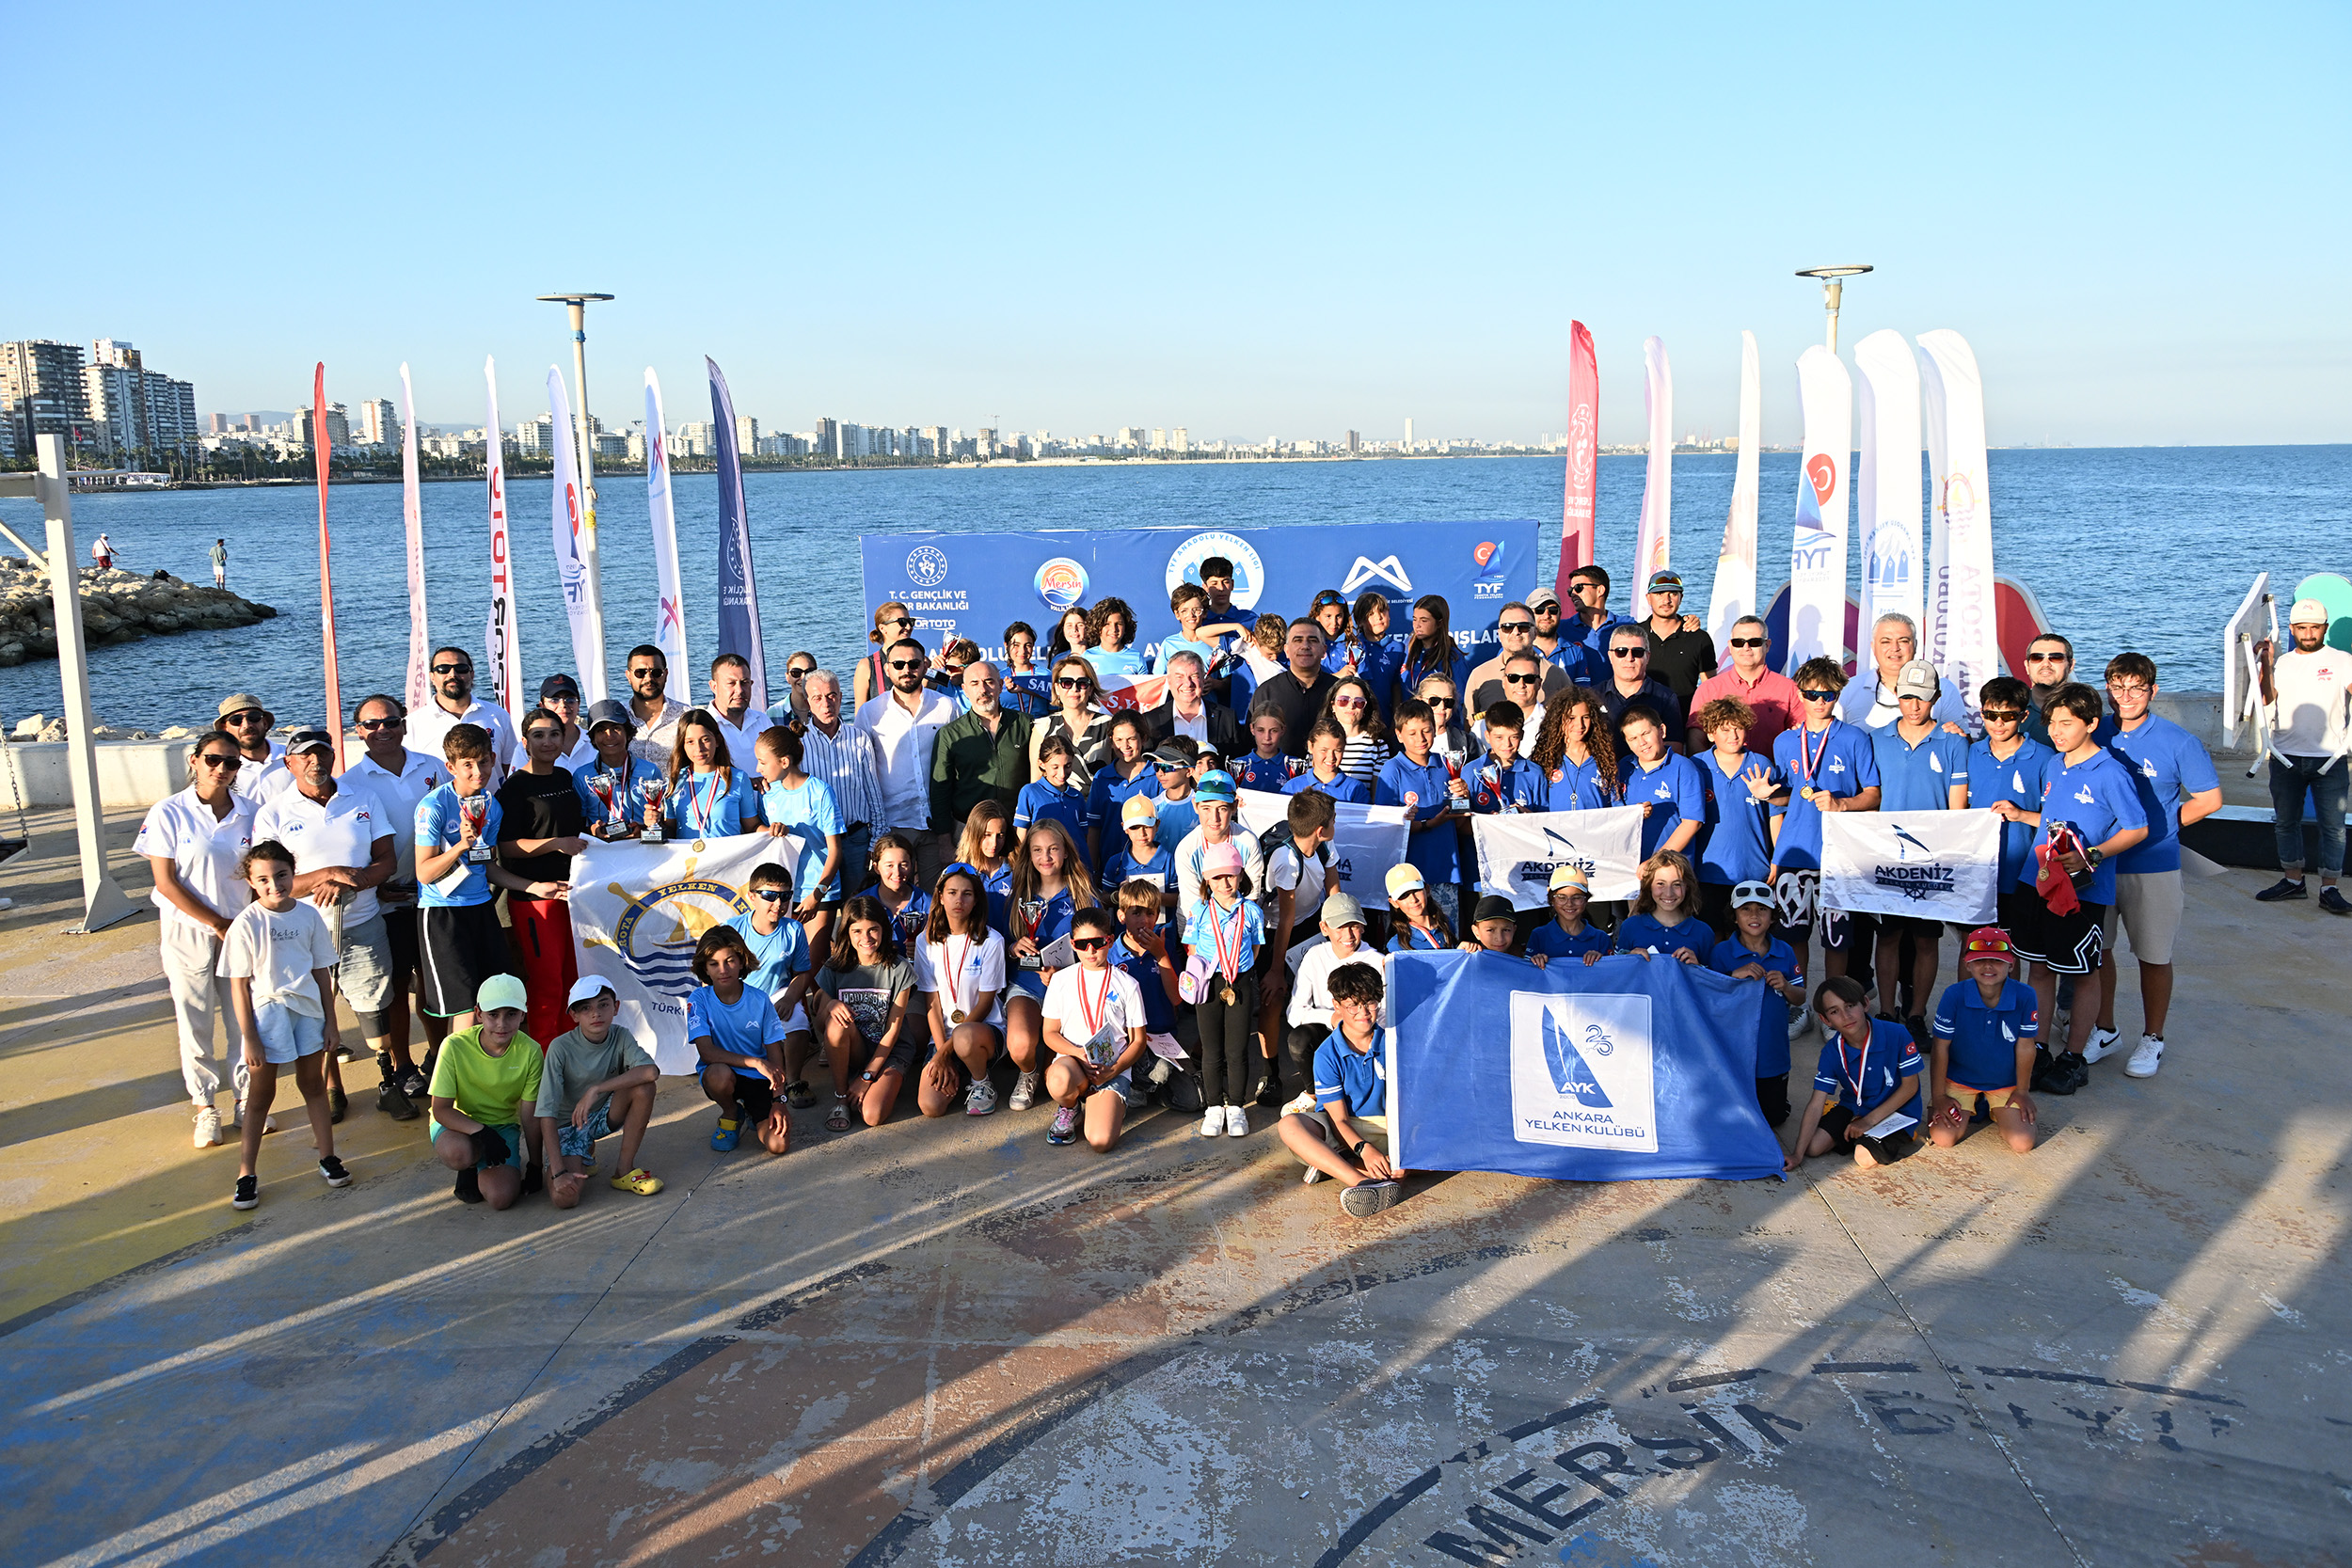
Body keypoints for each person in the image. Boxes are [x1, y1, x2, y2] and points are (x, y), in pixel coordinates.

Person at [252, 725, 405, 1122]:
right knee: (317, 1012)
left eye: (321, 753)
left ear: (334, 757)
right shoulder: (273, 813)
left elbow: (386, 861)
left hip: (363, 922)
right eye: (304, 755)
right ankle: (332, 1089)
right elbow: (267, 881)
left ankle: (388, 1084)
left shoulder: (363, 798)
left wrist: (354, 880)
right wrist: (328, 874)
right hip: (303, 931)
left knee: (375, 1007)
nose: (314, 761)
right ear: (289, 764)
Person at [2012, 682, 2149, 1095]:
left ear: (2091, 723)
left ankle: (2074, 1057)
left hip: (2082, 892)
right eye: (2052, 722)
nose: (2056, 731)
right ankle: (2038, 1048)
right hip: (2037, 879)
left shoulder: (2111, 772)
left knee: (2083, 973)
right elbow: (2052, 816)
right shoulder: (2055, 764)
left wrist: (2093, 854)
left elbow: (2137, 828)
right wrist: (2021, 814)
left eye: (2066, 723)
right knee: (2039, 967)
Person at [136, 729, 259, 1148]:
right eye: (213, 760)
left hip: (240, 932)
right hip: (187, 931)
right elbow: (166, 883)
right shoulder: (168, 812)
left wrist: (244, 924)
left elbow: (261, 875)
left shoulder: (252, 813)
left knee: (243, 1018)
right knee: (195, 1018)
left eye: (232, 762)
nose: (222, 769)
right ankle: (205, 1106)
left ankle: (246, 1100)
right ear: (194, 760)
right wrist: (215, 922)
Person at [218, 840, 352, 1210]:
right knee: (260, 1097)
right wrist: (250, 1038)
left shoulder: (308, 916)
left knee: (313, 1085)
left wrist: (331, 1023)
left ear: (293, 873)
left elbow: (322, 972)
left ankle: (328, 1157)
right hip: (268, 1016)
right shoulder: (246, 924)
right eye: (263, 879)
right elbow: (239, 986)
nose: (274, 885)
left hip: (308, 1013)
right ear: (250, 881)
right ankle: (246, 1174)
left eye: (281, 875)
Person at [1768, 658, 1882, 1006]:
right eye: (1812, 693)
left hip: (1838, 856)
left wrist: (1842, 804)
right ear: (1799, 694)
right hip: (1795, 853)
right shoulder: (1785, 741)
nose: (1820, 701)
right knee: (1792, 936)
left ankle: (1835, 1006)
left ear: (1838, 695)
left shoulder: (1855, 738)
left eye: (1828, 694)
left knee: (1837, 939)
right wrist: (1766, 795)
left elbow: (1873, 795)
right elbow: (1784, 800)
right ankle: (1799, 1005)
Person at [1869, 661, 1973, 1030]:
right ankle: (1886, 1011)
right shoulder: (1876, 738)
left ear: (1937, 698)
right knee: (1888, 937)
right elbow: (1871, 796)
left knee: (1927, 940)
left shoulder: (1954, 741)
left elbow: (1957, 807)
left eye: (1923, 698)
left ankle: (1916, 1014)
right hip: (1888, 857)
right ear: (1896, 695)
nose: (1914, 706)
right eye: (1908, 696)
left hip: (1933, 858)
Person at [413, 724, 528, 1033]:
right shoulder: (434, 806)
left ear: (493, 759)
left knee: (494, 999)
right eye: (468, 764)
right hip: (443, 913)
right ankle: (456, 1064)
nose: (478, 772)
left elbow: (487, 866)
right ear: (451, 767)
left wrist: (533, 886)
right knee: (464, 1009)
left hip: (482, 908)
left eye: (484, 762)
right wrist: (460, 846)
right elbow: (424, 872)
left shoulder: (492, 805)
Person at [1277, 963, 1405, 1218]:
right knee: (1289, 1125)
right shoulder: (1326, 1054)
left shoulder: (1394, 1041)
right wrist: (1363, 1148)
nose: (1363, 1013)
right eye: (1353, 1005)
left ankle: (1340, 1165)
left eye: (1370, 1003)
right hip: (1346, 1129)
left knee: (1444, 1142)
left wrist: (1404, 1153)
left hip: (1392, 1126)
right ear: (1336, 1005)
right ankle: (1362, 1182)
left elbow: (1406, 1106)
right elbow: (1339, 1120)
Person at [495, 706, 587, 1049]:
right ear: (525, 742)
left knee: (572, 978)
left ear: (563, 739)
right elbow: (506, 847)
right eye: (538, 735)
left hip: (572, 893)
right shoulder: (514, 789)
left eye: (554, 734)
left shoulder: (565, 778)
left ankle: (570, 1051)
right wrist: (555, 844)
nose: (547, 742)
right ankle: (545, 1056)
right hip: (536, 899)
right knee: (547, 983)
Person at [2255, 597, 2351, 914]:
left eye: (2314, 627)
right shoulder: (2282, 662)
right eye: (2301, 628)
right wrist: (2265, 663)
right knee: (2285, 823)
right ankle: (2293, 882)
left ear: (2324, 628)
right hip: (2285, 757)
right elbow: (2267, 698)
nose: (2308, 634)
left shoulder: (2342, 660)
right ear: (2292, 629)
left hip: (2331, 758)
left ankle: (2329, 888)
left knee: (2333, 827)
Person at [538, 977, 662, 1207]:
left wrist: (596, 1089)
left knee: (644, 1087)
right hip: (569, 1126)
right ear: (574, 1015)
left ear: (616, 1007)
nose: (596, 1014)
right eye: (586, 1008)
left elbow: (650, 1071)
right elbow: (546, 1112)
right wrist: (558, 1172)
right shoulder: (560, 1047)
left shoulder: (620, 1035)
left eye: (603, 1005)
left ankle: (623, 1171)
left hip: (603, 1114)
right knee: (565, 1199)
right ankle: (584, 1150)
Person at [426, 973, 544, 1208]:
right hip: (458, 1124)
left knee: (501, 1198)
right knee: (459, 1153)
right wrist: (480, 1132)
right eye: (493, 1014)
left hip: (502, 1126)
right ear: (478, 1014)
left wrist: (535, 1165)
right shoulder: (453, 1046)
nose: (502, 1023)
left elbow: (530, 1115)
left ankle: (485, 1162)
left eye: (511, 1014)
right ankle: (469, 1168)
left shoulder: (531, 1051)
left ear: (523, 1015)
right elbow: (440, 1110)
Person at [1002, 816, 1093, 1111]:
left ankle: (1055, 1071)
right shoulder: (1017, 895)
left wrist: (1065, 973)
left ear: (1065, 852)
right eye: (1038, 850)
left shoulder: (1083, 896)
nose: (1046, 857)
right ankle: (1028, 1073)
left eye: (1053, 849)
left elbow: (1098, 950)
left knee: (1058, 1075)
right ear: (1029, 855)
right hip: (1027, 985)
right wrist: (1013, 947)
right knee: (1019, 1045)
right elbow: (999, 942)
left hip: (1071, 991)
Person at [1038, 907, 1148, 1148]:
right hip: (1074, 1062)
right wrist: (1078, 1053)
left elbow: (1138, 1040)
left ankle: (1109, 1103)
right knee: (1058, 1080)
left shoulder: (1127, 984)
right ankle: (1070, 1106)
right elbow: (1049, 1033)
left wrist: (1114, 1069)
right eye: (1082, 944)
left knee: (1101, 1142)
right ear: (1073, 944)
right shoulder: (1061, 980)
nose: (1090, 951)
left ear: (1109, 940)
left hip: (1111, 1067)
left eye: (1097, 943)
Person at [1788, 976, 1923, 1170]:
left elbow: (1910, 1087)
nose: (1846, 1016)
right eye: (1834, 1011)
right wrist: (1797, 1154)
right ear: (1825, 1020)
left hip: (1896, 1110)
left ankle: (1895, 1134)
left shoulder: (1897, 1034)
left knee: (1864, 1157)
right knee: (1812, 1147)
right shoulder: (1832, 1051)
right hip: (1855, 1106)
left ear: (1865, 1003)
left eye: (1850, 1005)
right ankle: (1862, 1134)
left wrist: (1868, 1121)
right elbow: (1816, 1104)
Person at [1927, 927, 2041, 1156]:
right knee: (1943, 1138)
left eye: (1997, 961)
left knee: (2023, 1142)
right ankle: (1977, 1104)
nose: (1988, 967)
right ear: (1967, 964)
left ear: (2011, 964)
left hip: (2004, 1082)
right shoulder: (1954, 995)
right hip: (1959, 1079)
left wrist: (2022, 1090)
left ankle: (1990, 1106)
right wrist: (1939, 1096)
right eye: (1980, 961)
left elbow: (2026, 1046)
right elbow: (1940, 1047)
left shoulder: (2025, 995)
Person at [912, 863, 1009, 1117]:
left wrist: (944, 1053)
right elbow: (932, 1002)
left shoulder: (991, 941)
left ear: (976, 900)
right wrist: (940, 1051)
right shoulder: (925, 941)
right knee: (931, 1107)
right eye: (952, 892)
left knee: (964, 1035)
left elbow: (985, 1004)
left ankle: (981, 1081)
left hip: (982, 1032)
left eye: (967, 894)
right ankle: (959, 1069)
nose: (959, 900)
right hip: (943, 1036)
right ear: (941, 897)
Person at [814, 897, 918, 1132]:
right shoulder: (834, 967)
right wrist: (830, 1005)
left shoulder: (899, 968)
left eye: (873, 929)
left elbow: (893, 1031)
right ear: (847, 933)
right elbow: (821, 1024)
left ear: (884, 929)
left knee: (872, 1115)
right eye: (857, 931)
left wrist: (866, 1078)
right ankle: (841, 1097)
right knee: (836, 1024)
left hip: (890, 1051)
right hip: (855, 1047)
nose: (866, 938)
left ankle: (871, 1082)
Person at [856, 637, 957, 883]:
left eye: (913, 663)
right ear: (887, 669)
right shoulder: (869, 712)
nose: (906, 670)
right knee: (895, 895)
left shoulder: (947, 707)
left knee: (936, 895)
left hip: (938, 825)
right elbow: (860, 770)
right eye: (899, 664)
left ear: (925, 666)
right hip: (893, 824)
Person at [690, 926, 793, 1156]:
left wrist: (780, 1100)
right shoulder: (698, 1000)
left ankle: (755, 1112)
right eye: (714, 964)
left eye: (730, 961)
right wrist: (755, 1061)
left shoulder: (760, 999)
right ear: (705, 968)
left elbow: (775, 1051)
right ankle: (731, 1113)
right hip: (724, 1073)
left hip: (760, 1079)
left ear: (741, 961)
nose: (723, 970)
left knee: (778, 1145)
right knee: (717, 1075)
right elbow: (707, 1053)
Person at [1968, 676, 2058, 943]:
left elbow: (2056, 821)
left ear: (2024, 716)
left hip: (2021, 871)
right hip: (1976, 870)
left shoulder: (2045, 757)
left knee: (2012, 946)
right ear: (1981, 713)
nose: (1998, 723)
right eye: (1990, 715)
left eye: (2008, 716)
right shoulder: (1970, 753)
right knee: (1972, 943)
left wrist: (2021, 815)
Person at [1186, 840, 1264, 1138]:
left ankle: (1237, 1106)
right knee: (1211, 1049)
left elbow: (1255, 947)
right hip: (1208, 982)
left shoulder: (1252, 911)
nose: (1225, 883)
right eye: (1217, 877)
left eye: (1230, 875)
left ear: (1240, 875)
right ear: (1207, 879)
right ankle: (1214, 1106)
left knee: (1237, 1048)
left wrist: (1237, 969)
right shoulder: (1199, 911)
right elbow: (1192, 947)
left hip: (1240, 982)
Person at [724, 862, 820, 1105]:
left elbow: (803, 973)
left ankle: (793, 1080)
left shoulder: (794, 929)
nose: (779, 904)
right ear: (751, 897)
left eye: (785, 896)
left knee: (797, 1020)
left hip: (777, 994)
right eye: (769, 895)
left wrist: (790, 998)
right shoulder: (732, 929)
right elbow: (717, 973)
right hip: (740, 996)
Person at [1691, 696, 1786, 939]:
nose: (1733, 735)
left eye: (1738, 728)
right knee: (1712, 938)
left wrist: (1778, 859)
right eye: (1725, 729)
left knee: (1751, 939)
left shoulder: (1761, 764)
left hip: (1753, 870)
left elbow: (1775, 816)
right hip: (1708, 871)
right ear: (1710, 734)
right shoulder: (1696, 766)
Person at [1710, 880, 1804, 1125]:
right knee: (1734, 1120)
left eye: (1762, 909)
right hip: (1734, 1053)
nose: (1754, 915)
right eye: (1746, 909)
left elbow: (1801, 997)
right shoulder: (1721, 952)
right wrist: (1733, 976)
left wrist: (1786, 986)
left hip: (1773, 1053)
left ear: (1773, 917)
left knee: (1774, 1119)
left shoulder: (1785, 951)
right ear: (1734, 917)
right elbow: (1710, 999)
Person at [755, 724, 845, 960]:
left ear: (784, 762)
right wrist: (771, 830)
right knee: (786, 964)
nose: (757, 768)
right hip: (781, 892)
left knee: (812, 967)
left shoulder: (820, 792)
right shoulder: (768, 794)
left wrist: (817, 894)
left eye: (762, 762)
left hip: (817, 892)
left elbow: (835, 851)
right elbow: (758, 832)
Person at [1377, 698, 1469, 932]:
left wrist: (1464, 797)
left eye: (1426, 731)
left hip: (1445, 869)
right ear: (1399, 735)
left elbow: (1460, 819)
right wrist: (1428, 824)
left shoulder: (1447, 765)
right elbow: (1386, 828)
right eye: (1412, 733)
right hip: (1406, 879)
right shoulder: (1392, 770)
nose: (1421, 738)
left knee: (1447, 937)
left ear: (1435, 730)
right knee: (1408, 940)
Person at [1281, 895, 1384, 1098]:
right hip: (1328, 1031)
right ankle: (1315, 1093)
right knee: (1299, 1039)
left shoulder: (1378, 961)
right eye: (1340, 927)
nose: (1348, 935)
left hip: (1366, 1034)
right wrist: (1332, 1018)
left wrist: (1360, 1025)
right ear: (1324, 928)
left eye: (1354, 926)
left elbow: (1387, 1012)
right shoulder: (1314, 956)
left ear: (1363, 927)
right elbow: (1294, 1012)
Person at [930, 660, 1031, 861]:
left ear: (1001, 686)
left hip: (1017, 832)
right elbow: (939, 791)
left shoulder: (1026, 725)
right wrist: (944, 842)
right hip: (968, 832)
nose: (983, 689)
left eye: (989, 682)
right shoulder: (950, 735)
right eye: (975, 683)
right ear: (965, 689)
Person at [799, 669, 885, 895]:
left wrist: (876, 842)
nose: (826, 704)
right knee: (821, 906)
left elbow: (873, 793)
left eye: (831, 696)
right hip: (817, 843)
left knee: (858, 905)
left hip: (856, 840)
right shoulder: (798, 743)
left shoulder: (859, 738)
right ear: (808, 703)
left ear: (840, 697)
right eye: (817, 698)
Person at [1688, 616, 1801, 756]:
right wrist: (1708, 767)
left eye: (1755, 642)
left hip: (1773, 769)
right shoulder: (1708, 689)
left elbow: (1801, 736)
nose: (1746, 648)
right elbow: (1696, 736)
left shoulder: (1790, 689)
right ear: (1730, 646)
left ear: (1767, 645)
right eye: (1739, 642)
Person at [405, 646, 520, 777]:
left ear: (472, 674)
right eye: (443, 669)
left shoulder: (497, 715)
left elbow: (511, 766)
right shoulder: (413, 723)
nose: (452, 675)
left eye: (461, 669)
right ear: (432, 676)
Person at [1172, 768, 1265, 926]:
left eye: (1222, 809)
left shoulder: (1248, 842)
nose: (1214, 818)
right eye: (1206, 809)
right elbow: (1193, 906)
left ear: (1234, 807)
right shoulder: (1186, 849)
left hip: (1239, 923)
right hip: (1197, 926)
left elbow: (1251, 895)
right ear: (1195, 806)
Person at [1839, 614, 1964, 731]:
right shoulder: (1848, 689)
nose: (1895, 648)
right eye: (1886, 642)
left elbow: (1962, 740)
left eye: (1903, 641)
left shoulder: (1943, 688)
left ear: (1915, 645)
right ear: (1873, 647)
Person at [1619, 707, 1706, 861]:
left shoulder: (1684, 768)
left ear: (1662, 731)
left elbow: (1692, 822)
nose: (1642, 743)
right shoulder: (1623, 768)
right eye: (1633, 739)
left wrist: (1656, 862)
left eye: (1645, 733)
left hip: (1670, 866)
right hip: (1629, 864)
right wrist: (1633, 813)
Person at [572, 699, 663, 842]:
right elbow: (579, 823)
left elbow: (663, 821)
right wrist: (594, 830)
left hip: (642, 848)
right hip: (602, 849)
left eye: (616, 728)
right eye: (601, 730)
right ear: (593, 739)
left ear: (628, 734)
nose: (609, 736)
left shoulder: (650, 771)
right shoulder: (582, 776)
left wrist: (644, 830)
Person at [662, 710, 765, 837]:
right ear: (682, 744)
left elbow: (752, 826)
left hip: (728, 851)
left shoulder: (738, 778)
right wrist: (654, 824)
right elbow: (670, 830)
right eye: (690, 742)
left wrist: (774, 831)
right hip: (688, 851)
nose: (699, 749)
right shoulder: (675, 781)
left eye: (705, 740)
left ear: (717, 740)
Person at [1467, 602, 1575, 714]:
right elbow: (1469, 721)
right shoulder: (1479, 675)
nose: (1516, 632)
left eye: (1523, 627)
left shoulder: (1557, 676)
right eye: (1507, 627)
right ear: (1499, 634)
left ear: (1535, 632)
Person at [1255, 619, 1339, 760]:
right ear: (1286, 650)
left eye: (1312, 640)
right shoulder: (1266, 693)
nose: (1305, 646)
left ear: (1324, 650)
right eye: (1298, 640)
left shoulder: (1340, 692)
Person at [1138, 650, 1244, 757]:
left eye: (1194, 676)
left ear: (1203, 680)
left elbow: (1237, 759)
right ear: (1169, 682)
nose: (1188, 683)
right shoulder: (1150, 721)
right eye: (1179, 677)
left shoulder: (1227, 718)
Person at [1532, 687, 1621, 811]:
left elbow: (1617, 805)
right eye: (1571, 718)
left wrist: (1638, 811)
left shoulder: (1604, 759)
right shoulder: (1545, 759)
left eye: (1586, 717)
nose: (1580, 725)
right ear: (1558, 719)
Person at [1637, 570, 1717, 704]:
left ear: (1681, 598)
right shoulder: (1634, 635)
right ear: (1648, 598)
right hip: (1641, 714)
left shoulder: (1699, 639)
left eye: (1673, 594)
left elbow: (1710, 688)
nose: (1666, 600)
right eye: (1659, 594)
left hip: (1686, 715)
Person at [1615, 850, 1709, 963]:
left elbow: (1711, 973)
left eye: (1677, 884)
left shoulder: (1703, 932)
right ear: (1649, 885)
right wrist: (1629, 958)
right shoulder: (1630, 926)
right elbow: (1615, 969)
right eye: (1660, 884)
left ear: (1687, 886)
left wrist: (1697, 967)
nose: (1668, 893)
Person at [1597, 626, 1686, 742]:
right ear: (1610, 656)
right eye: (1621, 651)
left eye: (1637, 652)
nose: (1629, 658)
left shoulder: (1666, 698)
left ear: (1647, 657)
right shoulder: (1593, 696)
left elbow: (1674, 745)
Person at [1033, 655, 1115, 780]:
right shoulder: (1042, 727)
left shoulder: (1109, 724)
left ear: (1091, 689)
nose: (1074, 689)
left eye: (1082, 683)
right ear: (1057, 688)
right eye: (1067, 683)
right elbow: (1035, 782)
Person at [1100, 794, 1177, 918]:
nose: (1142, 833)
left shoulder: (1170, 860)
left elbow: (1180, 898)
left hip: (1163, 929)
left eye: (1147, 826)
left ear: (1157, 825)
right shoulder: (1116, 862)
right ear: (1124, 828)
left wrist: (1149, 896)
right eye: (1134, 828)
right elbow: (1104, 899)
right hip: (1127, 929)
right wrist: (1118, 896)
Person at [1466, 702, 1546, 813]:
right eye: (1499, 737)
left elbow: (1544, 817)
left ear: (1522, 735)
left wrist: (1527, 815)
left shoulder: (1534, 773)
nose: (1507, 744)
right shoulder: (1471, 771)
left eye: (1514, 737)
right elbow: (1463, 819)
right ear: (1487, 736)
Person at [1395, 595, 1470, 713]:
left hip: (1438, 721)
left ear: (1439, 623)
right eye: (1415, 619)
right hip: (1408, 720)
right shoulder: (1405, 648)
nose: (1417, 625)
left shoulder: (1453, 658)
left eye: (1424, 620)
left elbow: (1461, 703)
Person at [616, 645, 688, 767]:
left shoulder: (685, 716)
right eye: (640, 673)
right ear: (628, 676)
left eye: (656, 672)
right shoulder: (617, 716)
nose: (648, 678)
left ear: (666, 674)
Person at [1015, 734, 1089, 846]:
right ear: (1042, 764)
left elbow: (1084, 836)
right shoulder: (1029, 792)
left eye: (1068, 766)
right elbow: (1021, 835)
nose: (1062, 774)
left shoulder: (1077, 796)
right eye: (1055, 767)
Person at [1527, 865, 1611, 963]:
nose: (1569, 904)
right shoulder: (1539, 935)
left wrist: (1601, 960)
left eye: (1576, 897)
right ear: (1552, 899)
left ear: (1586, 900)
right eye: (1561, 897)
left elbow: (1611, 970)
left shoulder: (1601, 938)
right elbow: (1527, 970)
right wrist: (1536, 961)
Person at [699, 653, 771, 765]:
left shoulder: (762, 720)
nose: (739, 690)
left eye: (744, 683)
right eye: (731, 683)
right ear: (714, 687)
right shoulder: (703, 727)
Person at [869, 832, 934, 950]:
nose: (897, 873)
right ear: (876, 867)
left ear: (912, 865)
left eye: (903, 865)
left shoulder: (929, 904)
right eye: (889, 865)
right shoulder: (861, 903)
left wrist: (924, 950)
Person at [1473, 654, 1551, 751]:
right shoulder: (1482, 725)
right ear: (1504, 682)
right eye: (1513, 678)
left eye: (1529, 679)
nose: (1521, 685)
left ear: (1539, 684)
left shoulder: (1553, 722)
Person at [216, 692, 286, 800]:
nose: (247, 725)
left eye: (254, 717)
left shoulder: (292, 757)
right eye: (236, 720)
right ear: (225, 728)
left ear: (265, 723)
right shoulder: (220, 768)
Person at [1283, 719, 1371, 804]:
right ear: (1310, 746)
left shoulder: (1355, 789)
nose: (1331, 757)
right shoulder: (1292, 787)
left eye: (1337, 751)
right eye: (1324, 750)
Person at [1526, 586, 1599, 686]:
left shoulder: (1575, 652)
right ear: (1529, 615)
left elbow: (1582, 691)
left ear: (1560, 614)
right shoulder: (1518, 650)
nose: (1546, 616)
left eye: (1553, 610)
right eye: (1540, 610)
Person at [1152, 583, 1226, 677]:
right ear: (1177, 614)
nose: (1191, 615)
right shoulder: (1169, 644)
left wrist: (1214, 683)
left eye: (1196, 610)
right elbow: (1158, 678)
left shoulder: (1216, 643)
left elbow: (1227, 680)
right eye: (1184, 611)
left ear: (1204, 613)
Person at [855, 602, 917, 707]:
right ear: (883, 628)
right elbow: (860, 712)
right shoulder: (867, 666)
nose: (908, 627)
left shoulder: (920, 661)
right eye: (902, 622)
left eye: (910, 622)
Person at [2020, 633, 2077, 748]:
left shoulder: (2085, 707)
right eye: (2037, 657)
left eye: (2056, 657)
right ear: (2027, 666)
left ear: (2071, 665)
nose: (2046, 664)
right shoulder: (2012, 708)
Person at [1385, 863, 1455, 953]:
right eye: (1403, 895)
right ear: (1394, 902)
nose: (1413, 900)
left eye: (1416, 891)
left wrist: (1462, 950)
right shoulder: (1396, 945)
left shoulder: (1446, 923)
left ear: (1427, 889)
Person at [1565, 563, 1634, 654]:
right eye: (1570, 590)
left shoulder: (1628, 625)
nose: (1573, 594)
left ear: (1600, 590)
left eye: (1578, 588)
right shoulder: (1562, 629)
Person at [1230, 705, 1295, 793]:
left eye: (1274, 731)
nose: (1267, 737)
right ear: (1252, 729)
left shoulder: (1293, 765)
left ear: (1282, 730)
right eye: (1261, 730)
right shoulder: (1240, 764)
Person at [1151, 738, 1202, 847]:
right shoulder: (1151, 807)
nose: (1160, 773)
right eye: (1157, 766)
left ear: (1189, 771)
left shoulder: (1203, 806)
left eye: (1167, 767)